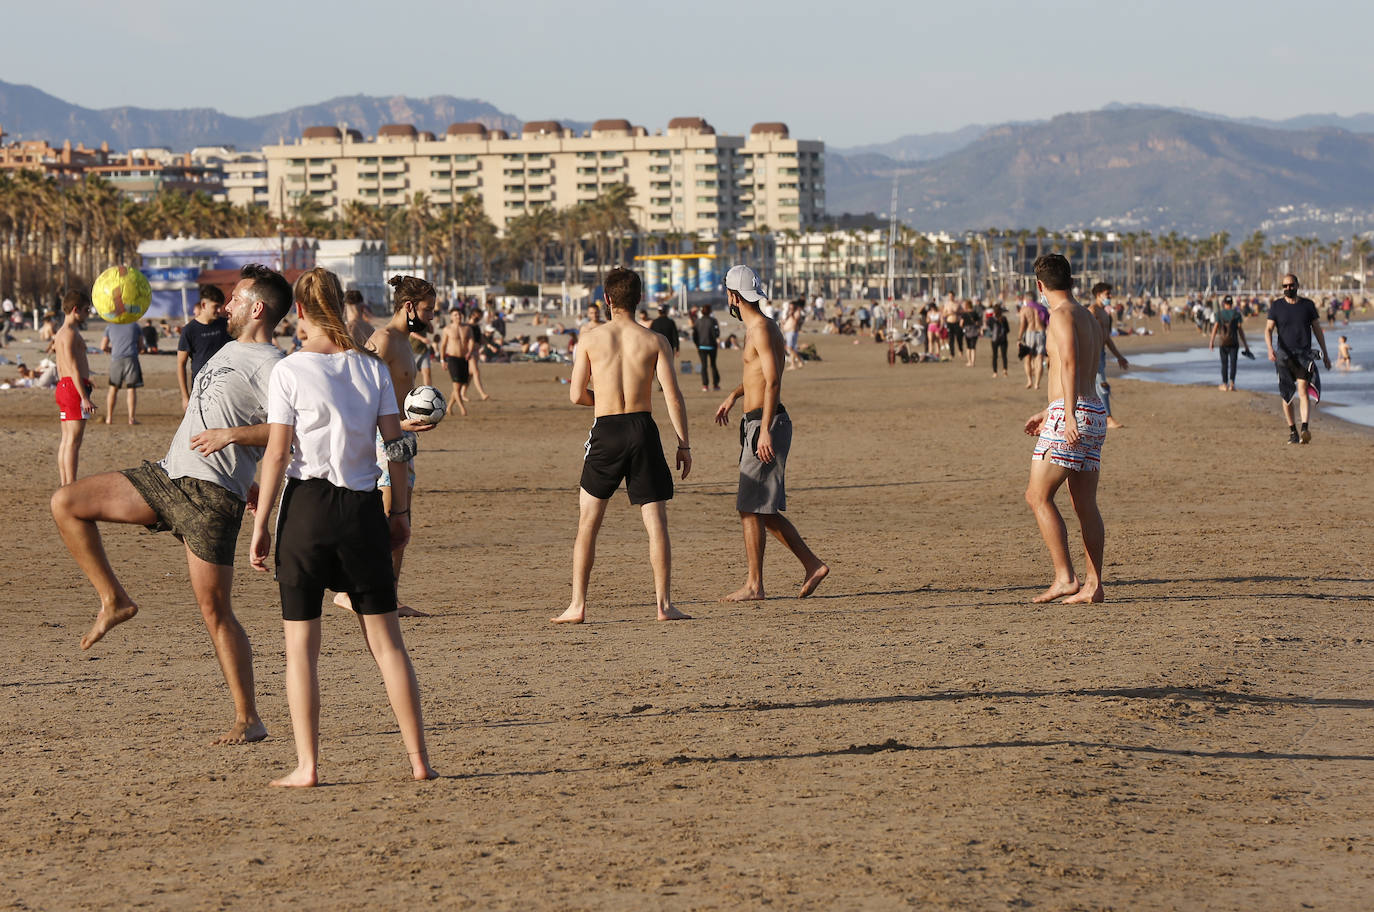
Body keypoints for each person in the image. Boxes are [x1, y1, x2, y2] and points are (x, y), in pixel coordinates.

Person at [49, 263, 294, 744]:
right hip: (167, 476)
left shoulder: (275, 365)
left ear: (258, 308)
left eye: (236, 298)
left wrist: (235, 439)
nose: (227, 306)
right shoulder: (226, 347)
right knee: (66, 502)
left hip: (210, 498)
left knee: (215, 611)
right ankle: (114, 599)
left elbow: (292, 430)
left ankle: (249, 718)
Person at [249, 268, 436, 787]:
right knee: (389, 645)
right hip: (361, 510)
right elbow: (395, 445)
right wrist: (399, 513)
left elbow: (279, 452)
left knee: (301, 652)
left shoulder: (289, 370)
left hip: (306, 510)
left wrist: (260, 523)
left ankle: (308, 766)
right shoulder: (371, 369)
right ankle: (419, 760)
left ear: (301, 312)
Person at [552, 266, 692, 624]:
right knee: (655, 521)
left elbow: (574, 395)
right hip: (643, 427)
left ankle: (577, 605)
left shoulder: (589, 339)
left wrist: (601, 402)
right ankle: (663, 605)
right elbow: (672, 397)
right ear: (640, 298)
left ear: (607, 299)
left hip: (607, 428)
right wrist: (683, 444)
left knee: (588, 521)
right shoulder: (655, 340)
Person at [714, 265, 829, 602]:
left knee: (751, 507)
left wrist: (764, 430)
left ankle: (755, 585)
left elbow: (775, 381)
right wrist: (734, 396)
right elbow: (757, 377)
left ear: (735, 296)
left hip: (767, 424)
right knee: (757, 508)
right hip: (757, 421)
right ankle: (811, 565)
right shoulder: (758, 329)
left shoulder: (762, 329)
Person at [333, 276, 437, 618]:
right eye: (427, 309)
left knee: (399, 517)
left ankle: (387, 596)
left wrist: (410, 423)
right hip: (385, 439)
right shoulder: (384, 340)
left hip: (402, 438)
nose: (431, 316)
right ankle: (356, 593)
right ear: (409, 307)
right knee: (388, 516)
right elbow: (360, 392)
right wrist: (397, 426)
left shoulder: (406, 341)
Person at [1023, 254, 1108, 604]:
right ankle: (1094, 584)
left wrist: (1066, 413)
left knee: (1037, 496)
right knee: (1084, 501)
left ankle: (1065, 578)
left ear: (1040, 285)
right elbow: (1082, 369)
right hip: (1095, 411)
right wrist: (1051, 409)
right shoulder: (1088, 315)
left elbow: (1070, 363)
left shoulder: (1059, 316)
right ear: (1071, 280)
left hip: (1073, 413)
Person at [1265, 273, 1331, 445]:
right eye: (1285, 286)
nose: (1288, 288)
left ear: (1297, 285)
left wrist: (1325, 353)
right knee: (1287, 395)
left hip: (1304, 355)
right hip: (1284, 357)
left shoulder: (1307, 306)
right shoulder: (1276, 306)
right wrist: (1270, 348)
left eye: (1291, 285)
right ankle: (1293, 431)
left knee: (1302, 389)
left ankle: (1305, 428)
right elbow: (1268, 329)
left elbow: (1317, 329)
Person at [54, 289, 96, 485]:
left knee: (66, 439)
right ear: (76, 310)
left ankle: (65, 483)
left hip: (64, 386)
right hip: (73, 388)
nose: (88, 313)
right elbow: (73, 368)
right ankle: (70, 484)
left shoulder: (60, 333)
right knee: (74, 441)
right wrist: (84, 397)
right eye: (86, 310)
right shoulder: (70, 333)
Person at [176, 285, 230, 410]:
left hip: (226, 387)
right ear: (204, 305)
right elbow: (181, 364)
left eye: (220, 306)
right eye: (215, 306)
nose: (219, 310)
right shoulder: (189, 330)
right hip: (201, 390)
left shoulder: (226, 325)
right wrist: (185, 397)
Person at [1088, 282, 1129, 429]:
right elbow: (1086, 334)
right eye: (1107, 294)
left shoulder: (1105, 313)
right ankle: (1108, 418)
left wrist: (1119, 356)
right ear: (1098, 295)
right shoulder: (1092, 311)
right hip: (1092, 353)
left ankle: (1097, 417)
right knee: (1102, 385)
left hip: (1101, 353)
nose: (1110, 297)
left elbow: (1106, 338)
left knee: (1096, 387)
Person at [102, 318, 146, 426]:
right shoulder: (135, 326)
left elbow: (103, 346)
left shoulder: (110, 326)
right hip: (131, 359)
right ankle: (131, 418)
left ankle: (109, 417)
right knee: (131, 389)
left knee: (113, 388)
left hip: (116, 360)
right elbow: (141, 347)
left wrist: (111, 351)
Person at [1208, 294, 1251, 391]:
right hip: (1234, 342)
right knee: (1233, 363)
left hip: (1223, 343)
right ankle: (1232, 384)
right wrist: (1245, 345)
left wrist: (1211, 341)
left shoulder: (1219, 314)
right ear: (1232, 303)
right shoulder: (1236, 314)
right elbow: (1240, 330)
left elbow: (1215, 328)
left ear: (1224, 303)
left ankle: (1224, 384)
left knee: (1224, 364)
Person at [440, 306, 472, 417]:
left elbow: (471, 341)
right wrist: (442, 359)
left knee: (459, 386)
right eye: (455, 315)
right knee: (457, 385)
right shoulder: (447, 329)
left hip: (464, 358)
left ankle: (448, 407)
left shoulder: (467, 328)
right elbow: (443, 345)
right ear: (451, 317)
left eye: (459, 314)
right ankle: (463, 409)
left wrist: (470, 351)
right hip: (452, 359)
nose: (458, 316)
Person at [1018, 293, 1047, 389]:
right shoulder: (1042, 308)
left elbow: (1023, 325)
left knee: (1028, 358)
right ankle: (1037, 383)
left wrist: (1019, 338)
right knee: (1039, 358)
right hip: (1041, 332)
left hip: (1030, 332)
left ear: (1026, 299)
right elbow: (1048, 322)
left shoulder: (1025, 309)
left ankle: (1029, 380)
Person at [692, 303, 721, 391]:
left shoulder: (697, 321)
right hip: (712, 346)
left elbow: (694, 335)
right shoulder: (713, 321)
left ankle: (705, 385)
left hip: (701, 347)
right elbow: (717, 333)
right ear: (710, 311)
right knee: (713, 365)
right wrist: (715, 339)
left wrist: (697, 344)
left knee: (704, 366)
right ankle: (715, 385)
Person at [467, 306, 492, 401]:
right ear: (473, 315)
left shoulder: (476, 326)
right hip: (470, 352)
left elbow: (480, 338)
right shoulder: (467, 326)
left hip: (476, 352)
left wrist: (489, 345)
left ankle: (462, 393)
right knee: (476, 372)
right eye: (478, 316)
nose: (479, 318)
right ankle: (482, 394)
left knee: (470, 374)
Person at [988, 303, 1010, 378]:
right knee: (1004, 356)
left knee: (995, 356)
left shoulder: (991, 319)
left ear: (994, 311)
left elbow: (990, 329)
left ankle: (995, 372)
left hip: (994, 339)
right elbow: (1007, 330)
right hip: (1003, 339)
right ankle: (1005, 371)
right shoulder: (1004, 319)